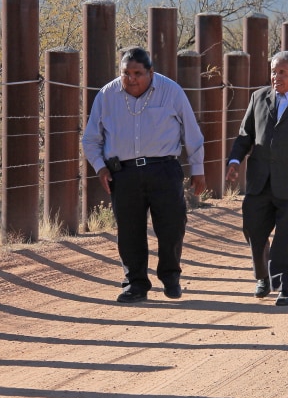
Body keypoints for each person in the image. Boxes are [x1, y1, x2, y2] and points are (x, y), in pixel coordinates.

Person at [82, 47, 206, 304]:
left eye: (138, 73)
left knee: (172, 225)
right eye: (126, 72)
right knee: (130, 230)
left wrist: (198, 169)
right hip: (124, 173)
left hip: (164, 168)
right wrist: (100, 167)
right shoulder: (107, 95)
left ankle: (170, 276)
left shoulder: (171, 91)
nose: (131, 78)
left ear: (151, 72)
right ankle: (135, 284)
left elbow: (191, 132)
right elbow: (91, 138)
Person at [226, 50, 288, 306]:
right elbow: (245, 134)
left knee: (286, 236)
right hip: (259, 180)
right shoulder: (258, 97)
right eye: (273, 71)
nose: (276, 76)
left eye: (281, 72)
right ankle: (263, 277)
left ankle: (285, 287)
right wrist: (235, 160)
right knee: (252, 227)